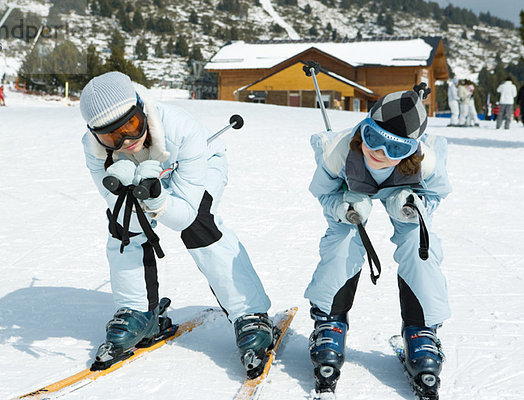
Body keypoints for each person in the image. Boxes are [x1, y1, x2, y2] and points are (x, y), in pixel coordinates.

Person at [79, 71, 273, 378]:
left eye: (131, 126)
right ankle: (139, 313)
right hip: (146, 180)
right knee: (124, 226)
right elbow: (118, 206)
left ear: (141, 110)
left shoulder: (181, 128)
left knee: (200, 226)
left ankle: (250, 313)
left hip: (199, 167)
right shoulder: (95, 151)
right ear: (95, 135)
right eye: (111, 136)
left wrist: (159, 201)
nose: (126, 141)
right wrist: (132, 193)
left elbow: (184, 214)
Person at [305, 88, 451, 397]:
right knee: (344, 237)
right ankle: (330, 319)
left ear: (411, 150)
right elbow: (323, 193)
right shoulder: (340, 151)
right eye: (374, 138)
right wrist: (342, 208)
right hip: (352, 188)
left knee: (418, 241)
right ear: (364, 127)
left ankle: (421, 327)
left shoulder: (427, 162)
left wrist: (416, 208)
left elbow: (436, 196)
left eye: (395, 148)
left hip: (403, 187)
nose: (381, 152)